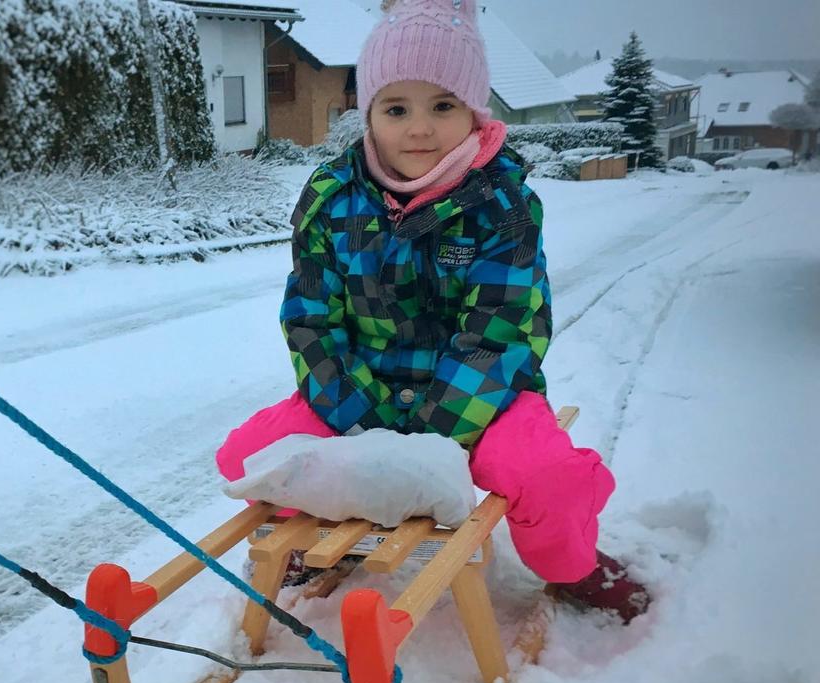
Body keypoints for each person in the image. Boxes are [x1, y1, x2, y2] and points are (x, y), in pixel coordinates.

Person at [216, 0, 650, 623]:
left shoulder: (503, 205)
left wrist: (429, 444)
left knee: (551, 479)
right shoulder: (331, 199)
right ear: (368, 113)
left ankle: (573, 566)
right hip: (361, 400)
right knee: (248, 457)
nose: (418, 129)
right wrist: (362, 433)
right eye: (397, 108)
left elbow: (499, 334)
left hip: (480, 403)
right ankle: (328, 531)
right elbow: (311, 317)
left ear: (474, 111)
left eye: (442, 105)